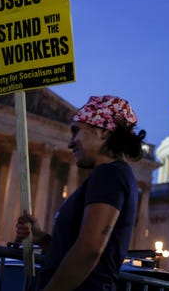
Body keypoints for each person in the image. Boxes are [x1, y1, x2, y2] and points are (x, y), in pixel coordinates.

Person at [16, 95, 145, 290]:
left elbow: (89, 249)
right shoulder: (112, 175)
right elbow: (77, 250)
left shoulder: (109, 175)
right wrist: (42, 238)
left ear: (102, 131)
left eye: (76, 131)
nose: (70, 143)